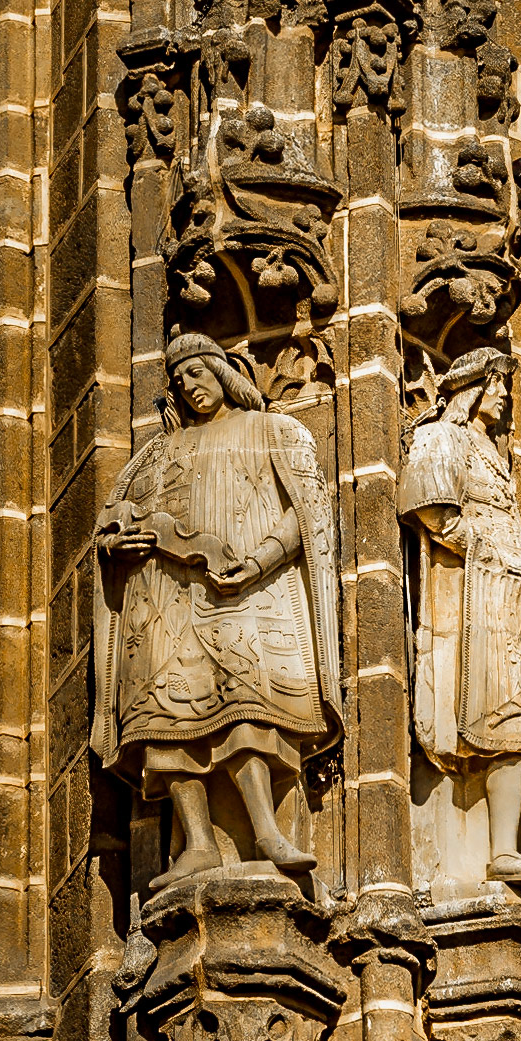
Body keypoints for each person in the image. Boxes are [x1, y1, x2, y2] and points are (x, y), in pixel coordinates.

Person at [91, 331, 341, 887]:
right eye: (179, 382)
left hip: (243, 593)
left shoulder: (272, 431)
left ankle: (266, 832)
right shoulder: (156, 455)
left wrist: (259, 563)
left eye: (197, 374)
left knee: (245, 709)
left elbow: (308, 513)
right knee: (168, 723)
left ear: (222, 372)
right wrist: (116, 546)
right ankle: (198, 843)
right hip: (165, 602)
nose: (190, 388)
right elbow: (113, 521)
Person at [398, 347, 521, 882]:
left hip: (513, 597)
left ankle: (509, 847)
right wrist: (485, 555)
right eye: (497, 382)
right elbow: (431, 509)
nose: (504, 394)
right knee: (507, 715)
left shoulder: (492, 456)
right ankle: (499, 850)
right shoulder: (444, 437)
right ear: (471, 387)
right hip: (481, 598)